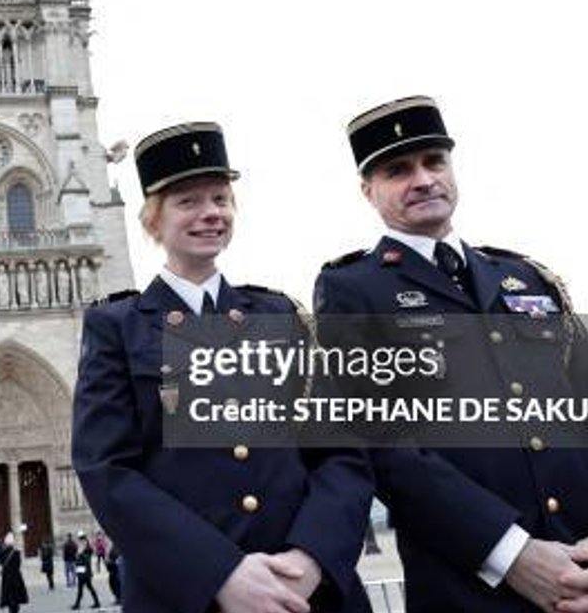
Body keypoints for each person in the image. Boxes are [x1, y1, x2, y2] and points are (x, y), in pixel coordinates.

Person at [313, 95, 588, 612]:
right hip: (478, 590)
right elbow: (384, 443)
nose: (423, 179)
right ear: (368, 190)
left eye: (434, 161)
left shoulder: (525, 278)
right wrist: (512, 554)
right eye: (398, 170)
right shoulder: (351, 291)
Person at [72, 121, 374, 613]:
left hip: (308, 595)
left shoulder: (280, 315)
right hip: (191, 598)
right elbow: (106, 469)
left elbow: (341, 454)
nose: (210, 214)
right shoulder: (116, 327)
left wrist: (312, 559)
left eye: (220, 199)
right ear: (153, 220)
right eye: (188, 201)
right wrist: (220, 574)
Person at [0, 533, 26, 613]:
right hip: (16, 577)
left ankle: (11, 608)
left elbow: (1, 563)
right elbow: (18, 565)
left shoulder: (2, 554)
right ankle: (15, 608)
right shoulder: (17, 553)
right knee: (16, 594)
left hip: (7, 577)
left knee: (8, 594)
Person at [69, 536, 100, 610]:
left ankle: (77, 604)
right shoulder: (81, 550)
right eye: (81, 541)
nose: (81, 543)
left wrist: (81, 553)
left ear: (86, 542)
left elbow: (87, 560)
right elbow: (77, 559)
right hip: (81, 571)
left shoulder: (88, 550)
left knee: (83, 588)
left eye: (83, 541)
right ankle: (96, 602)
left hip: (86, 572)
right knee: (87, 588)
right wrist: (77, 556)